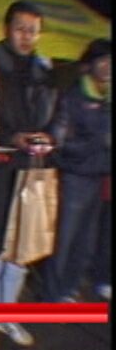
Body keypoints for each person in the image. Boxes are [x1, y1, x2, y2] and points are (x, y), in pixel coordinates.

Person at [0, 1, 57, 349]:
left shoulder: (44, 69)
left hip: (33, 172)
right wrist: (10, 138)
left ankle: (8, 314)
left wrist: (50, 136)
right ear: (6, 28)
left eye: (33, 30)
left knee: (23, 249)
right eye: (20, 28)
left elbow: (56, 117)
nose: (26, 36)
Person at [43, 38, 111, 303]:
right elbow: (59, 141)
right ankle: (51, 295)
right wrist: (98, 143)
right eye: (103, 61)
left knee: (86, 242)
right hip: (74, 177)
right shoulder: (74, 96)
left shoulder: (107, 96)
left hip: (99, 176)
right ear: (91, 63)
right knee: (65, 240)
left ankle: (69, 289)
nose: (107, 67)